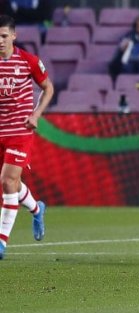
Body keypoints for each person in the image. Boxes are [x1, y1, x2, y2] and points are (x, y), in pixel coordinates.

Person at [0, 14, 52, 259]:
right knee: (13, 182)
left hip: (21, 131)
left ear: (13, 36)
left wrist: (36, 114)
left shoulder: (28, 61)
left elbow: (48, 87)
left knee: (7, 181)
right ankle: (36, 208)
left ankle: (1, 242)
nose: (0, 41)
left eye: (3, 36)